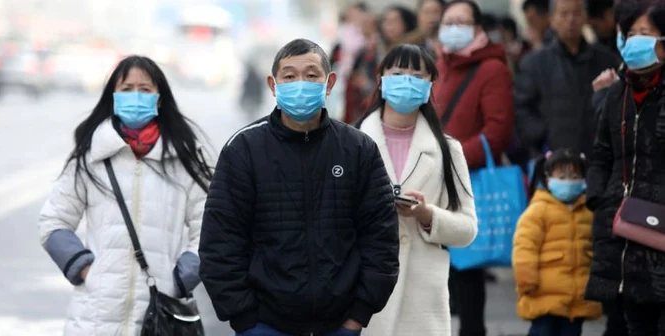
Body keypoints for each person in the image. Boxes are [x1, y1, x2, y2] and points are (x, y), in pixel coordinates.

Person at [199, 38, 400, 336]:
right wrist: (242, 316)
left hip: (341, 323)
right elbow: (221, 239)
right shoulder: (244, 149)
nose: (300, 84)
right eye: (290, 76)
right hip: (263, 323)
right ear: (273, 83)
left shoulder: (358, 149)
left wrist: (359, 313)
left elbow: (380, 236)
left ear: (329, 83)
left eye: (311, 75)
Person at [37, 55, 213, 335]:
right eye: (127, 89)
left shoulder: (183, 158)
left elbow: (211, 226)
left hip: (161, 314)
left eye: (145, 89)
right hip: (95, 316)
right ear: (113, 97)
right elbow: (54, 221)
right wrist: (85, 269)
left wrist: (181, 279)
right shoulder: (91, 155)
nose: (136, 96)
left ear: (160, 98)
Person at [356, 44, 478, 336]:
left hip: (422, 301)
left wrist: (427, 215)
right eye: (397, 73)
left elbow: (468, 228)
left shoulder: (448, 149)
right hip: (362, 294)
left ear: (430, 84)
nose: (406, 81)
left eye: (416, 75)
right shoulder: (351, 144)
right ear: (381, 78)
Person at [433, 2, 515, 334]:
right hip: (435, 177)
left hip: (467, 177)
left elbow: (497, 132)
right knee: (441, 267)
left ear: (478, 28)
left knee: (467, 265)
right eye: (448, 21)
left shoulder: (492, 68)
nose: (453, 27)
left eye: (461, 22)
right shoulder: (441, 63)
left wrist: (450, 157)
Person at [587, 1, 665, 335]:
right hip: (621, 228)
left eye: (644, 34)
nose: (634, 41)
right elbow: (601, 153)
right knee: (631, 322)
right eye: (629, 33)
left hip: (660, 227)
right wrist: (599, 199)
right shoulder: (617, 90)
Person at [515, 0, 621, 159]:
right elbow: (522, 109)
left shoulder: (607, 60)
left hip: (599, 157)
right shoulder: (534, 63)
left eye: (576, 13)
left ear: (585, 18)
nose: (571, 19)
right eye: (564, 14)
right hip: (552, 159)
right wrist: (543, 137)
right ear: (552, 19)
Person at [513, 148, 602, 336]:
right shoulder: (538, 211)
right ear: (548, 180)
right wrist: (526, 281)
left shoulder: (588, 213)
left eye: (574, 176)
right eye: (562, 177)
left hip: (576, 299)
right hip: (543, 294)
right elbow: (524, 248)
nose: (568, 182)